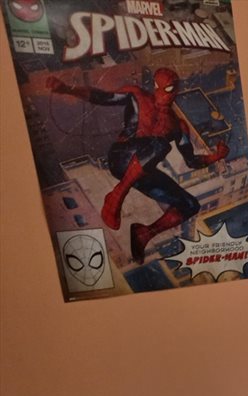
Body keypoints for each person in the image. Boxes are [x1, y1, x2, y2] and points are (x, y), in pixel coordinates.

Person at [46, 68, 228, 263]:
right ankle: (116, 196)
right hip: (121, 157)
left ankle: (144, 234)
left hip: (142, 171)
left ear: (175, 91)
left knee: (190, 205)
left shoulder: (178, 126)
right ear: (154, 86)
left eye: (168, 89)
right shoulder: (137, 95)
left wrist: (215, 157)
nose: (162, 94)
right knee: (160, 145)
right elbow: (103, 97)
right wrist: (67, 89)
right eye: (158, 87)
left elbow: (191, 161)